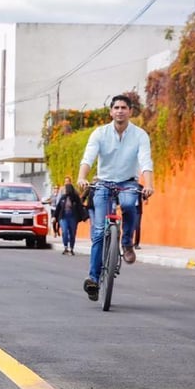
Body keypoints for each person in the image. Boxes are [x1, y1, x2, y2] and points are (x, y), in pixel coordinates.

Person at [77, 94, 154, 301]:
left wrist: (149, 184)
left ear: (130, 111)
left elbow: (146, 161)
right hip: (103, 183)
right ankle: (93, 279)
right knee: (100, 231)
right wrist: (82, 178)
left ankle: (127, 242)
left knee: (129, 205)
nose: (120, 111)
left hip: (128, 182)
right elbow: (88, 158)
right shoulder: (100, 134)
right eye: (116, 107)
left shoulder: (140, 135)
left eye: (124, 107)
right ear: (111, 112)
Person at [52, 182, 84, 255]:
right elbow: (58, 208)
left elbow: (80, 208)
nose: (64, 191)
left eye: (65, 189)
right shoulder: (63, 197)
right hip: (63, 217)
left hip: (73, 217)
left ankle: (71, 248)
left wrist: (83, 217)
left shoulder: (75, 198)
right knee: (64, 231)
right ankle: (66, 246)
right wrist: (54, 216)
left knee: (72, 233)